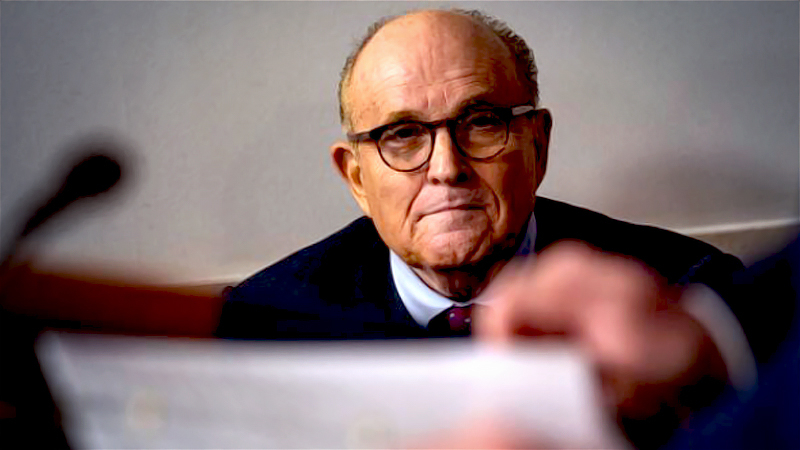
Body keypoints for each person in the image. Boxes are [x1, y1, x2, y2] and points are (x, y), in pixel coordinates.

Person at [216, 8, 748, 448]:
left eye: (482, 122)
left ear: (537, 145)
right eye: (402, 134)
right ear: (356, 176)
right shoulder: (265, 328)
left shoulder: (690, 300)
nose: (446, 167)